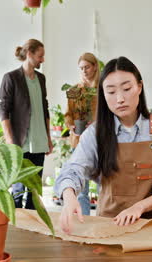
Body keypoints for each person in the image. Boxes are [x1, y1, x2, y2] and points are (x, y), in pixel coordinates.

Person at [54, 56, 152, 234]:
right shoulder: (95, 134)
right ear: (103, 95)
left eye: (127, 88)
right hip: (107, 227)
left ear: (139, 87)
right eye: (111, 92)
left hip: (151, 228)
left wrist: (139, 207)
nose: (120, 98)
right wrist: (69, 197)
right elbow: (72, 170)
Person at [0, 39, 53, 210]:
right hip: (19, 143)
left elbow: (45, 109)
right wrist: (9, 140)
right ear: (29, 54)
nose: (42, 60)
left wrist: (48, 138)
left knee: (34, 191)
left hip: (39, 141)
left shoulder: (41, 79)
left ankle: (32, 227)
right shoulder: (11, 78)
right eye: (40, 56)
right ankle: (16, 226)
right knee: (18, 189)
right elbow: (3, 110)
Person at [63, 52, 99, 216]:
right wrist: (71, 125)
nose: (84, 71)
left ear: (95, 67)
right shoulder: (74, 90)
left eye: (87, 67)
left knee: (103, 185)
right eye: (81, 68)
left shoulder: (103, 89)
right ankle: (84, 220)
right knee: (81, 187)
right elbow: (68, 114)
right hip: (78, 141)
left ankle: (104, 219)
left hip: (100, 141)